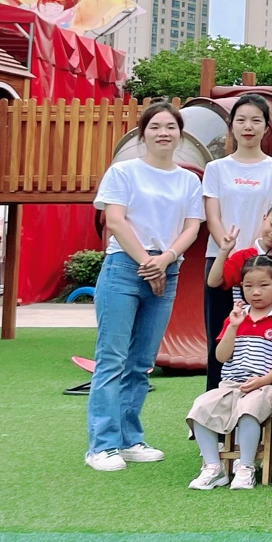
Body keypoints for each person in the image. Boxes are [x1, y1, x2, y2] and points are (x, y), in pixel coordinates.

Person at [86, 101, 204, 471]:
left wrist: (165, 260)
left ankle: (129, 439)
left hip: (167, 269)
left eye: (170, 127)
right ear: (143, 133)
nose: (163, 133)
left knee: (140, 363)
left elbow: (192, 227)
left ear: (180, 134)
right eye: (155, 126)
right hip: (124, 267)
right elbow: (115, 221)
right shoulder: (123, 172)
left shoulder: (188, 180)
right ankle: (101, 446)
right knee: (112, 360)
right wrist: (147, 263)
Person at [201, 94, 272, 391]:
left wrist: (255, 258)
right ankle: (215, 401)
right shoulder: (216, 168)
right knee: (220, 333)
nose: (248, 127)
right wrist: (230, 253)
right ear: (231, 126)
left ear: (267, 127)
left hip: (264, 264)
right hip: (221, 260)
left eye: (255, 120)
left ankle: (260, 398)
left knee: (264, 335)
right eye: (241, 120)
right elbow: (213, 216)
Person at [186, 254, 272, 490]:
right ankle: (213, 467)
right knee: (200, 408)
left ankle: (245, 466)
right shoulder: (235, 318)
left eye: (263, 285)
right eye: (248, 286)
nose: (256, 292)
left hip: (266, 386)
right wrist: (233, 327)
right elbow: (221, 356)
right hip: (231, 384)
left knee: (248, 410)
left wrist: (264, 381)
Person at [207, 195, 272, 307]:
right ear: (264, 218)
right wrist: (224, 251)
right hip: (245, 317)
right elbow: (213, 282)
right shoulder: (242, 257)